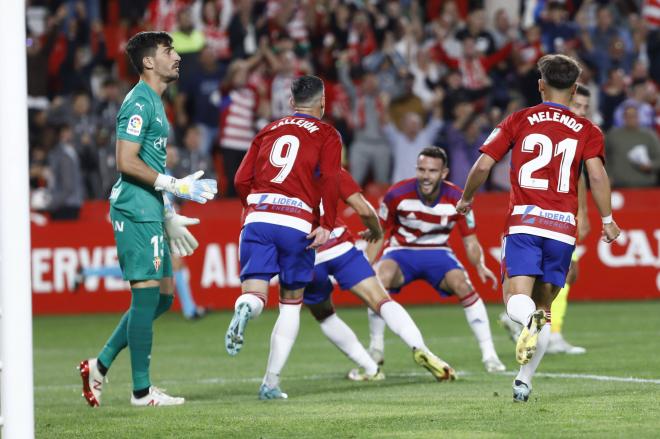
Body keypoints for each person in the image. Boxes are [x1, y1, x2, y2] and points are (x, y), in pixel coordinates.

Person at [456, 54, 621, 402]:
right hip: (562, 230)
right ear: (575, 88)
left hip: (525, 223)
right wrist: (607, 219)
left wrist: (467, 198)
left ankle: (525, 332)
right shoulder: (588, 130)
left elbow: (484, 164)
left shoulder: (519, 119)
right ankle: (523, 381)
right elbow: (596, 175)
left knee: (516, 300)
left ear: (541, 84)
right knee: (543, 312)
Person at [78, 31, 218, 408]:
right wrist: (173, 186)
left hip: (151, 207)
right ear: (148, 63)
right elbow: (125, 161)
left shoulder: (156, 101)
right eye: (168, 50)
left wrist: (168, 210)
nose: (176, 56)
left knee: (164, 298)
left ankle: (99, 365)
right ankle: (141, 392)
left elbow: (150, 161)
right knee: (145, 295)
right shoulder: (139, 102)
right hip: (134, 209)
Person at [225, 75, 342, 400]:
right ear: (322, 103)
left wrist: (252, 207)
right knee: (290, 305)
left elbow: (240, 178)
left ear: (291, 103)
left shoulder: (269, 129)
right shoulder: (327, 133)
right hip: (297, 222)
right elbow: (331, 179)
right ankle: (270, 382)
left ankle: (246, 306)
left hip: (259, 217)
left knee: (255, 293)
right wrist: (327, 223)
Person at [303, 169, 456, 382]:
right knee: (382, 300)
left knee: (323, 314)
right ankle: (420, 348)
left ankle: (369, 368)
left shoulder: (280, 173)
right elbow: (365, 211)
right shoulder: (333, 170)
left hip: (305, 255)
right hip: (339, 244)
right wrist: (376, 230)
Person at [367, 146, 505, 373]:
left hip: (439, 252)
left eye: (432, 171)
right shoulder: (396, 194)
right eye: (421, 169)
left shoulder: (459, 199)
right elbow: (378, 234)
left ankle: (490, 355)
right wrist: (367, 265)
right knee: (379, 280)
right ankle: (376, 348)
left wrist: (479, 265)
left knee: (463, 285)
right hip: (402, 251)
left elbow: (470, 240)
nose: (425, 176)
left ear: (444, 173)